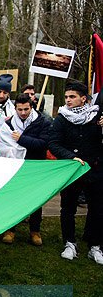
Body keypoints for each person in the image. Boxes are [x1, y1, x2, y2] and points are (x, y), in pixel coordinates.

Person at [49, 81, 103, 264]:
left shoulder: (98, 117)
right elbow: (54, 143)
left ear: (84, 98)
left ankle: (95, 246)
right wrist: (70, 156)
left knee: (97, 209)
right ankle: (69, 243)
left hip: (95, 170)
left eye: (72, 97)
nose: (68, 100)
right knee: (68, 208)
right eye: (66, 97)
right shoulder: (61, 118)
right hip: (71, 171)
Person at [0, 94, 52, 246]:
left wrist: (22, 139)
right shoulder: (8, 123)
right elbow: (3, 144)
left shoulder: (43, 122)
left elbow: (43, 143)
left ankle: (35, 231)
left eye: (26, 109)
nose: (23, 113)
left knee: (36, 199)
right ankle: (10, 229)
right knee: (13, 198)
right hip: (16, 167)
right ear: (15, 108)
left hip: (35, 165)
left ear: (32, 107)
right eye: (20, 109)